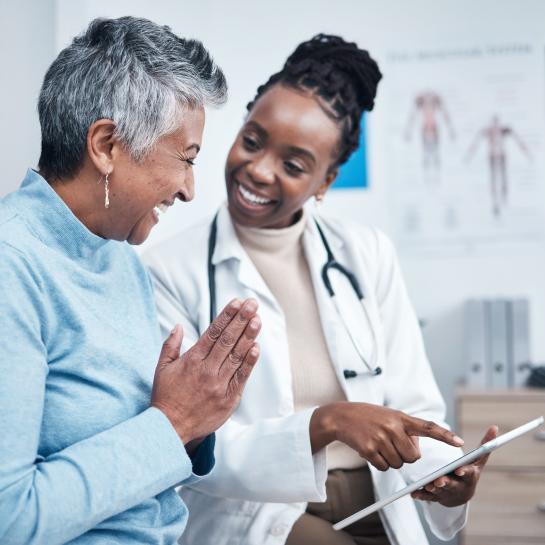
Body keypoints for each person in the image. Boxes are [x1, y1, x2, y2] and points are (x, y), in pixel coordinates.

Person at [144, 35, 495, 545]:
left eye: (293, 165)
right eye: (253, 139)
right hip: (256, 510)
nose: (259, 170)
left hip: (384, 495)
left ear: (326, 180)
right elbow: (188, 441)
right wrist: (324, 423)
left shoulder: (365, 253)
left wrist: (445, 477)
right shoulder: (169, 269)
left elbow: (414, 403)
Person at [0, 17, 262, 545]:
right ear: (106, 145)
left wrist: (197, 417)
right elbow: (10, 520)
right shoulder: (12, 267)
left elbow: (147, 463)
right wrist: (174, 424)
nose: (189, 190)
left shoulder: (120, 258)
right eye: (185, 160)